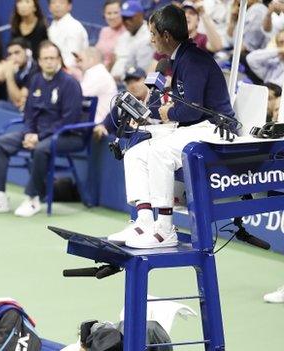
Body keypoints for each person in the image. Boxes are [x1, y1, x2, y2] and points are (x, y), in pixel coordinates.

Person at [107, 4, 235, 249]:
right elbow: (178, 109)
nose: (151, 39)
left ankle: (165, 229)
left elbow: (192, 109)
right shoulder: (179, 59)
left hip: (216, 129)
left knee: (159, 152)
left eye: (153, 34)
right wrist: (150, 113)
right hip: (193, 127)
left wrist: (169, 113)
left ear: (166, 35)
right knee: (135, 153)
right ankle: (144, 221)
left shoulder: (194, 61)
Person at [0, 41, 84, 217]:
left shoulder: (70, 84)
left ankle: (33, 199)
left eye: (53, 58)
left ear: (59, 60)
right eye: (45, 58)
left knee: (41, 149)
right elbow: (29, 114)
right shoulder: (36, 80)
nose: (49, 62)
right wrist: (29, 133)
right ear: (39, 61)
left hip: (66, 135)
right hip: (37, 133)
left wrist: (39, 136)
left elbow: (68, 120)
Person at [93, 66, 148, 141]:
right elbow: (107, 122)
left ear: (146, 80)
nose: (133, 85)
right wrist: (101, 127)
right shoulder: (123, 103)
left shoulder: (156, 101)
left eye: (137, 80)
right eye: (129, 83)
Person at [110, 0, 155, 82]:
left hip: (132, 84)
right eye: (124, 18)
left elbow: (142, 71)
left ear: (140, 15)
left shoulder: (149, 37)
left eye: (130, 17)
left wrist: (121, 77)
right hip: (113, 81)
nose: (126, 21)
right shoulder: (123, 37)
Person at [74, 47, 117, 124]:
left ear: (91, 59)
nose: (77, 64)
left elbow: (76, 96)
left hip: (98, 126)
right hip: (92, 122)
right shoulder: (96, 73)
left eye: (81, 60)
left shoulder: (98, 74)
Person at [0, 38, 39, 112]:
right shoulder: (15, 67)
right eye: (10, 54)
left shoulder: (35, 70)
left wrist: (9, 75)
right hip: (17, 106)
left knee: (1, 105)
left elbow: (19, 100)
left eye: (17, 53)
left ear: (28, 52)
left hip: (31, 111)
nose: (13, 57)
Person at [47, 0, 89, 74]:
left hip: (71, 74)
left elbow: (72, 59)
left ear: (69, 6)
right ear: (49, 7)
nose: (57, 5)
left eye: (61, 2)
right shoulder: (51, 27)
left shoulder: (74, 27)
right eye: (53, 2)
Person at [95, 0, 126, 70]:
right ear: (104, 15)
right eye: (109, 13)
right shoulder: (104, 31)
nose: (112, 17)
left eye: (116, 13)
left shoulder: (127, 32)